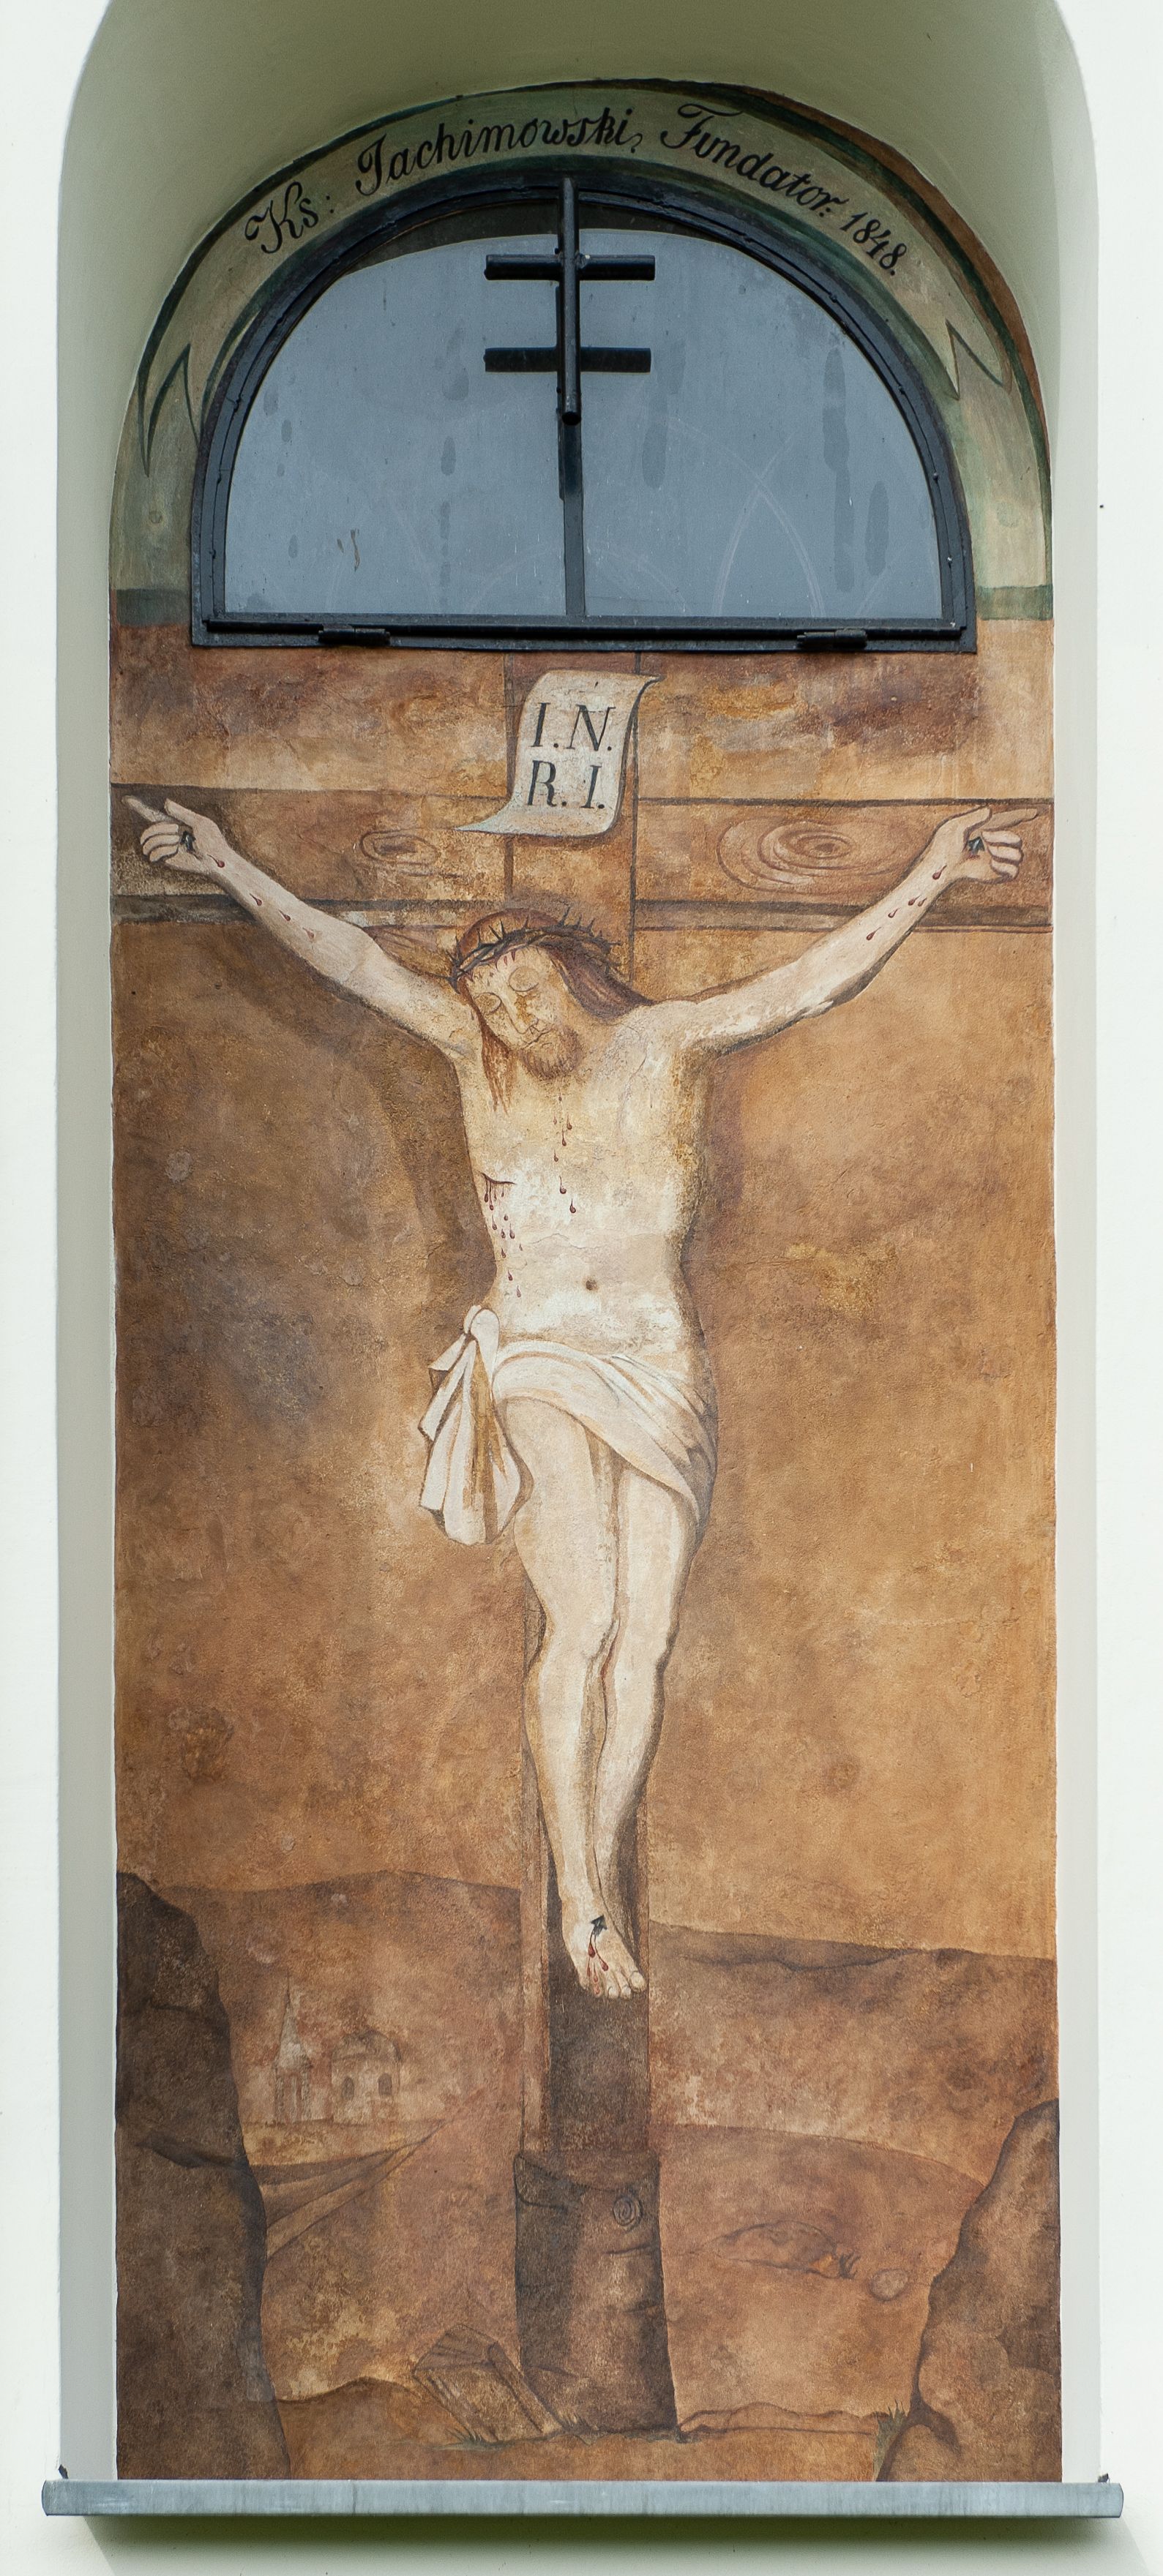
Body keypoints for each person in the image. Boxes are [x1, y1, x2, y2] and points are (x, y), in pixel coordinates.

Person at [133, 794, 1025, 1999]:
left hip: (659, 1363)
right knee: (586, 1616)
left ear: (572, 973)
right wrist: (229, 863)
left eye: (526, 991)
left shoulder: (664, 1045)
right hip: (539, 1350)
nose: (512, 1017)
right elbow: (352, 961)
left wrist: (931, 872)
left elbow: (810, 982)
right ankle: (579, 1894)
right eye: (492, 1003)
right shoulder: (474, 1058)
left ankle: (594, 1862)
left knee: (644, 1636)